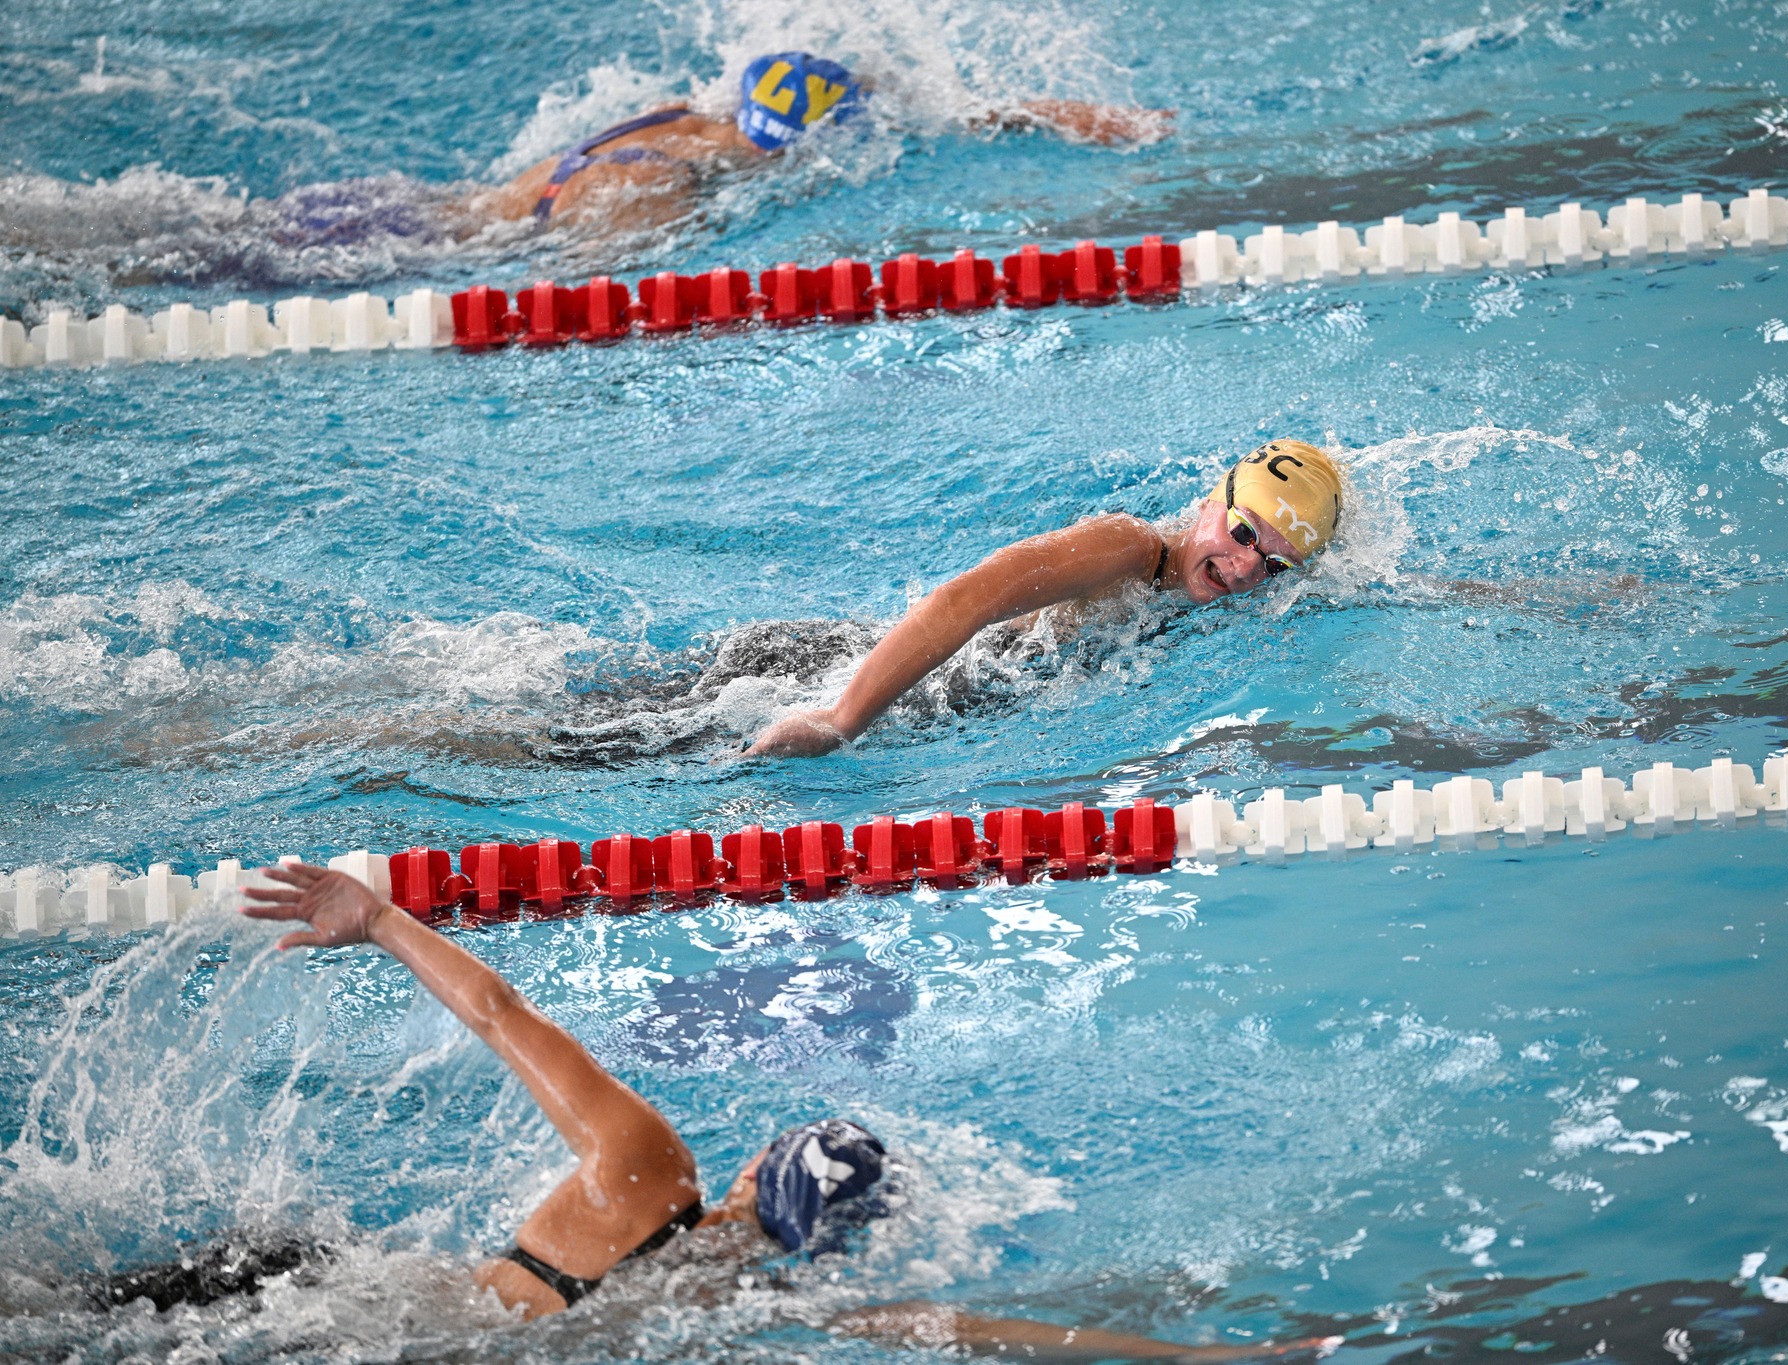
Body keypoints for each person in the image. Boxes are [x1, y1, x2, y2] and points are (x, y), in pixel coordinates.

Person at [209, 861, 1340, 1361]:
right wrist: (1180, 1358)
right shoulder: (769, 1310)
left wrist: (383, 922)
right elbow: (982, 1335)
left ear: (754, 1172)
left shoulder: (643, 1170)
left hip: (314, 1297)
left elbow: (502, 1014)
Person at [745, 439, 1345, 758]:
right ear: (1210, 502)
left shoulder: (1227, 598)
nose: (1243, 567)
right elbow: (965, 599)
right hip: (828, 671)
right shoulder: (1126, 548)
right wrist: (840, 720)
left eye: (1273, 562)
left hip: (945, 693)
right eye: (1241, 530)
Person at [466, 50, 1169, 231]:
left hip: (483, 203)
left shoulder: (676, 113)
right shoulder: (656, 186)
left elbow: (963, 112)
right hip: (503, 235)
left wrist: (1083, 117)